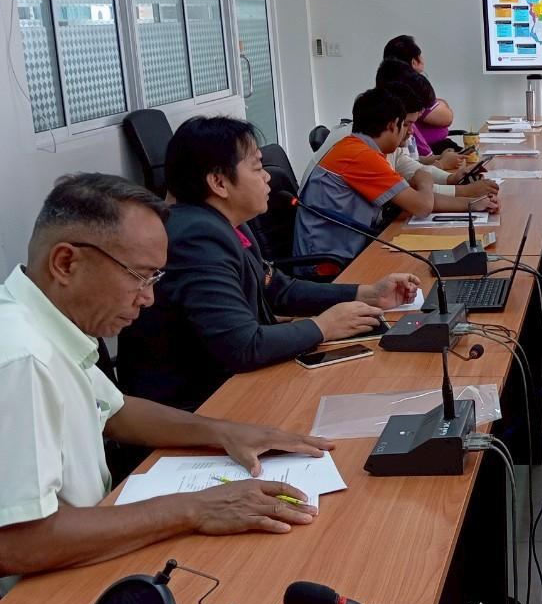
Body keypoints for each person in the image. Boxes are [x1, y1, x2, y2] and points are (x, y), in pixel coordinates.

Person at [0, 174, 332, 595]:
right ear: (66, 263)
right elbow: (19, 542)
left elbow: (114, 411)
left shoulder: (44, 324)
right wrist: (194, 508)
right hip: (38, 595)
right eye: (140, 276)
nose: (148, 297)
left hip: (87, 550)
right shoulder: (22, 357)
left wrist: (223, 432)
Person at [116, 116, 419, 411]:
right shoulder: (196, 239)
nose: (267, 177)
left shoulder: (226, 224)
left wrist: (368, 293)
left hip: (231, 383)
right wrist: (324, 326)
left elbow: (276, 288)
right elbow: (243, 345)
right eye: (257, 167)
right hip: (197, 406)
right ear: (219, 182)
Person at [295, 87, 497, 264]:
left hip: (350, 247)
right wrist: (425, 180)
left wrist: (472, 204)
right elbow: (421, 205)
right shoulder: (360, 156)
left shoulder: (360, 148)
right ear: (393, 125)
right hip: (329, 262)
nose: (409, 133)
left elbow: (413, 198)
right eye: (406, 125)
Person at [305, 75, 498, 201]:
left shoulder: (376, 138)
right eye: (407, 124)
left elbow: (411, 169)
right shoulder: (361, 147)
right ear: (393, 119)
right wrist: (465, 193)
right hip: (339, 246)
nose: (412, 131)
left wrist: (452, 179)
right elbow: (414, 197)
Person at [374, 58, 461, 171]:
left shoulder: (402, 134)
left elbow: (412, 163)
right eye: (407, 123)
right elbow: (409, 177)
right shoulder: (384, 144)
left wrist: (440, 158)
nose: (420, 114)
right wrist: (442, 164)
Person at [383, 35, 459, 154]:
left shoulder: (390, 87)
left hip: (429, 155)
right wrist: (442, 103)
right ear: (414, 61)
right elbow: (447, 118)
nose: (410, 130)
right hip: (434, 149)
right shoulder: (411, 90)